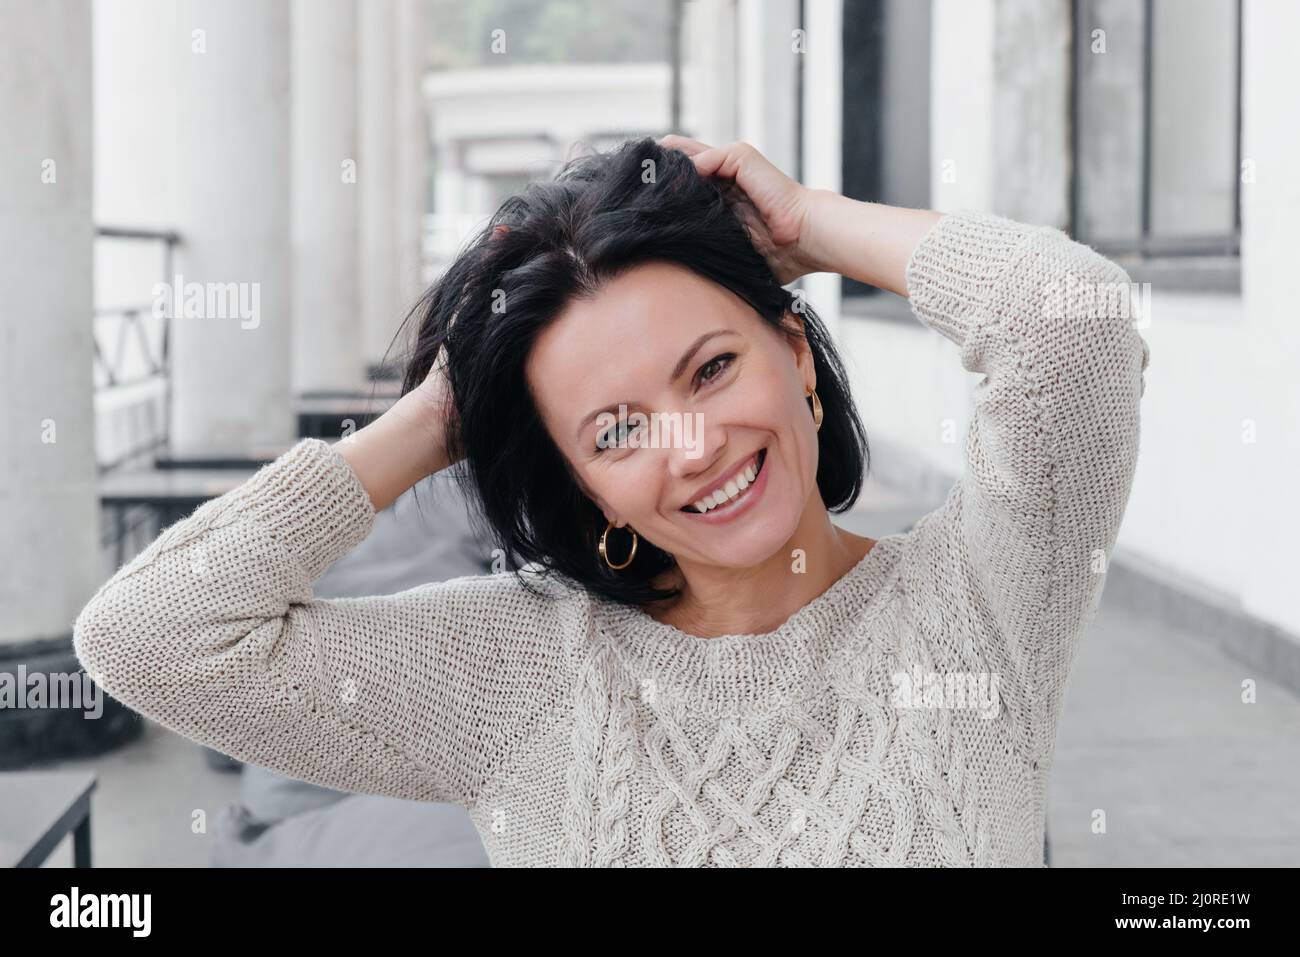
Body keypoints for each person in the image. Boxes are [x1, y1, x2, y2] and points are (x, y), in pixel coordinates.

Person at [74, 135, 1149, 867]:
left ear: (795, 355)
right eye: (616, 431)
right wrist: (441, 417)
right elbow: (147, 638)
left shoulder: (981, 599)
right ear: (579, 479)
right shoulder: (520, 668)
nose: (692, 446)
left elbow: (1073, 322)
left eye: (712, 369)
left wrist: (811, 226)